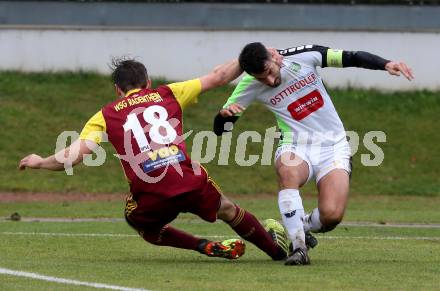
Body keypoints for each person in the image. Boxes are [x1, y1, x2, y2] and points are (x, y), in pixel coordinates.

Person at [18, 57, 289, 261]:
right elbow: (218, 77)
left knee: (138, 222)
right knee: (229, 210)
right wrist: (248, 57)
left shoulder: (106, 114)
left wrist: (40, 161)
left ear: (117, 89)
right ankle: (277, 252)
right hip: (189, 180)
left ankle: (201, 245)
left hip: (152, 191)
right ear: (147, 83)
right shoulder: (168, 93)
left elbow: (75, 156)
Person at [213, 42, 414, 265]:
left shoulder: (305, 56)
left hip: (333, 147)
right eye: (261, 78)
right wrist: (225, 117)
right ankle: (299, 247)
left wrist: (386, 64)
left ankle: (299, 225)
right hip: (295, 146)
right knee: (288, 172)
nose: (269, 81)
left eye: (269, 72)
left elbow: (351, 57)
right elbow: (222, 130)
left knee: (332, 216)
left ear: (273, 55)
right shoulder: (249, 85)